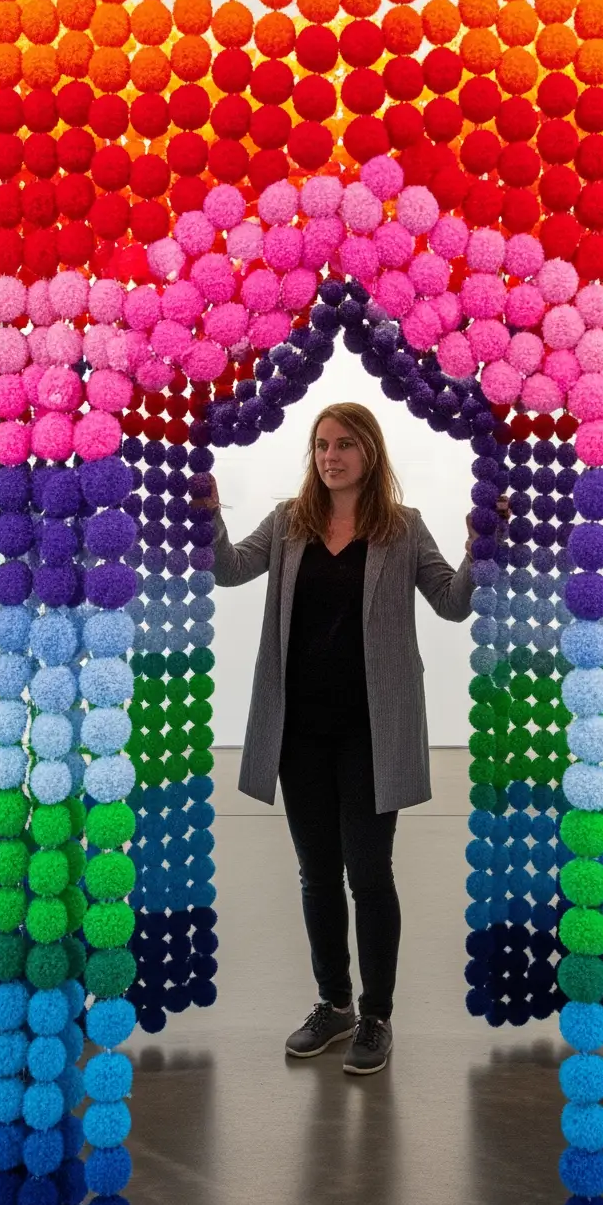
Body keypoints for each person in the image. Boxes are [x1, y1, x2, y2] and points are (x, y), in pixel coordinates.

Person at [198, 402, 475, 1077]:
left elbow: (452, 601)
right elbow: (229, 570)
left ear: (370, 453)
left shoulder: (401, 529)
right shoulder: (290, 521)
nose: (331, 456)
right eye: (322, 445)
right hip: (299, 731)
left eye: (345, 444)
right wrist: (209, 514)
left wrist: (478, 549)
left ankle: (377, 1016)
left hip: (372, 731)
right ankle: (333, 1003)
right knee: (317, 875)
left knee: (369, 874)